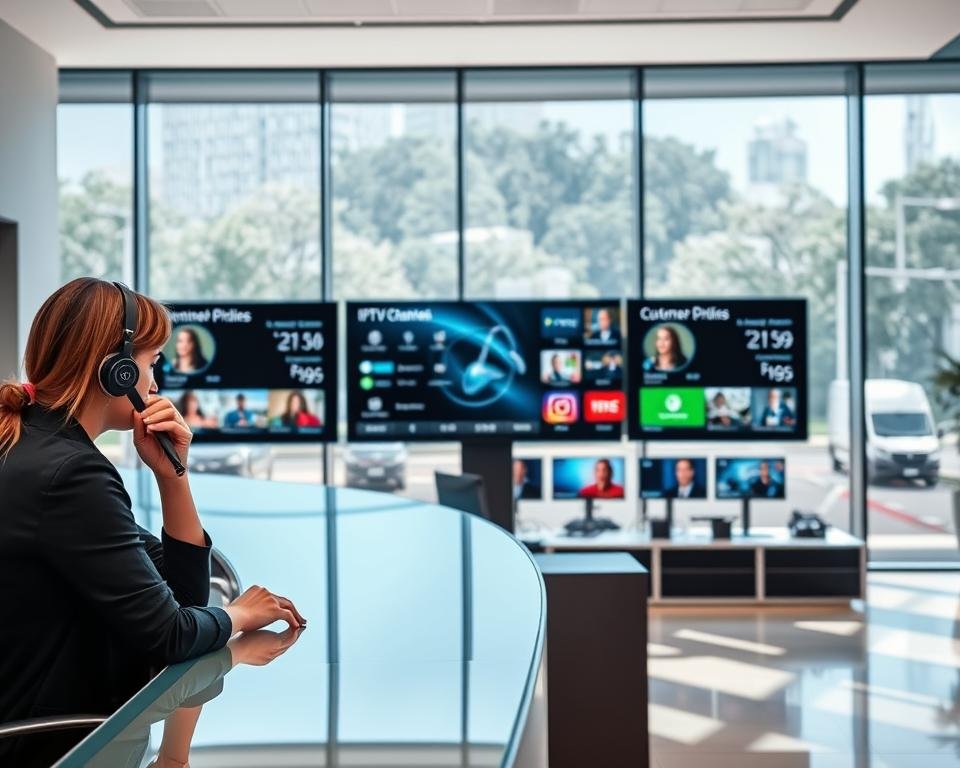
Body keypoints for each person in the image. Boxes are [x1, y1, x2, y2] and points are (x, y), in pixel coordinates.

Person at [0, 278, 305, 767]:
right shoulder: (70, 475)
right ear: (116, 370)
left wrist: (172, 477)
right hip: (61, 747)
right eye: (152, 362)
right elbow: (171, 634)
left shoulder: (36, 446)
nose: (156, 384)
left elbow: (179, 591)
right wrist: (240, 619)